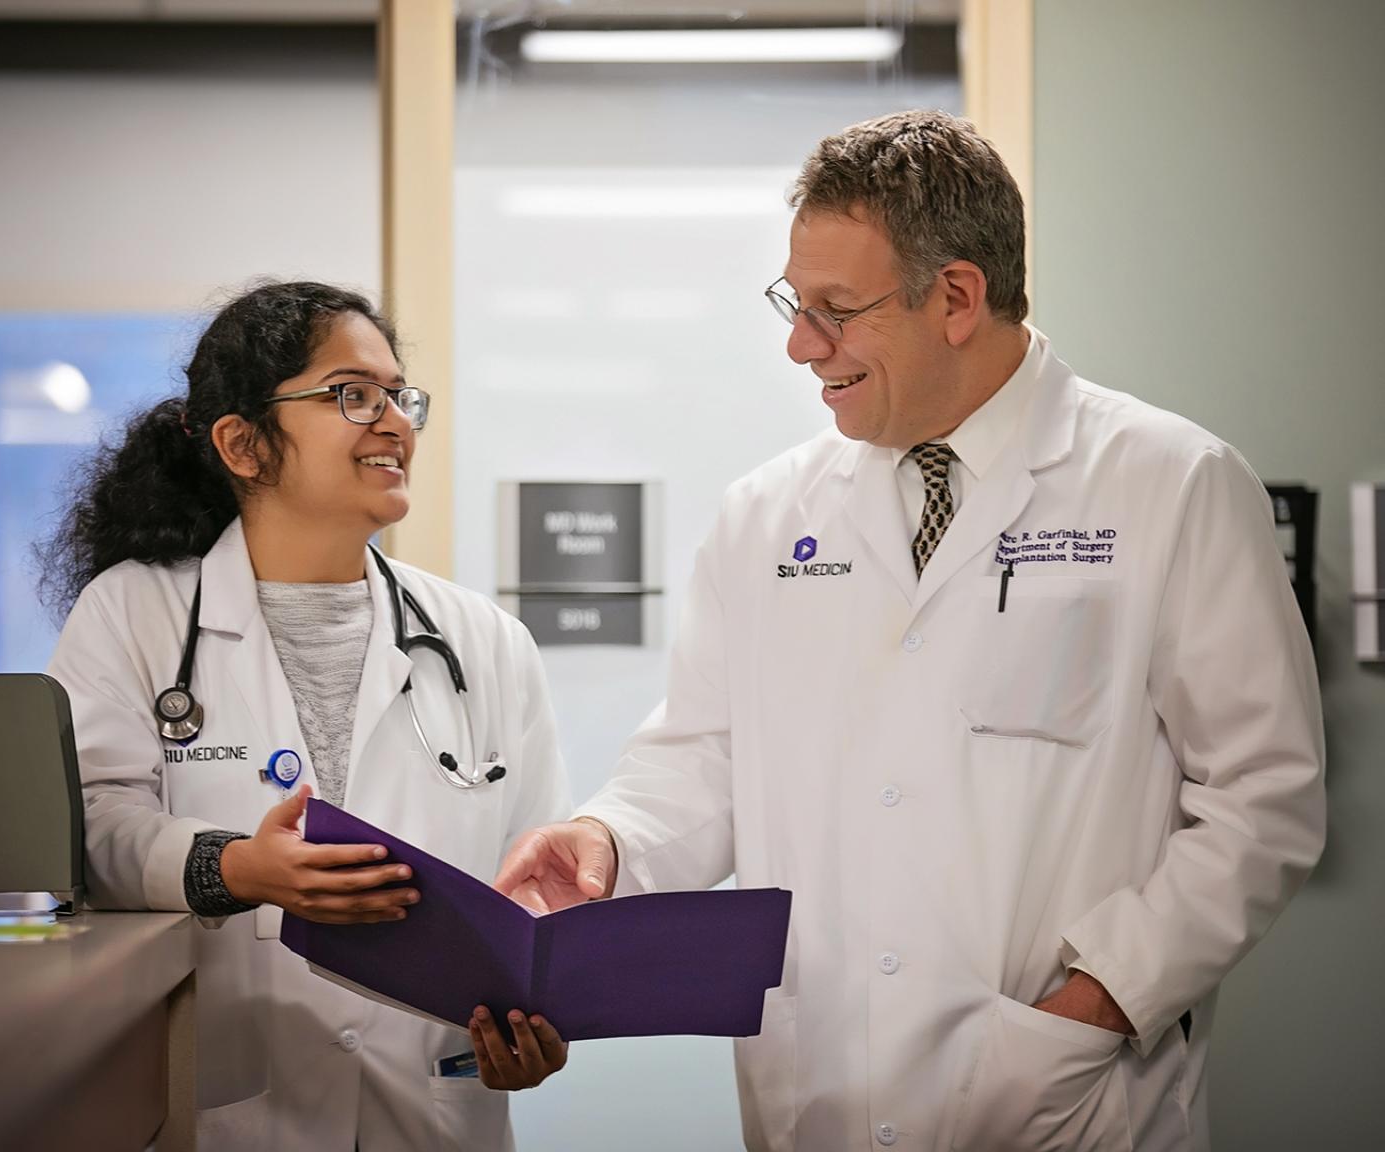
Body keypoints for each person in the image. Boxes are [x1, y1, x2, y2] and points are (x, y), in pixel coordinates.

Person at [494, 111, 1326, 1152]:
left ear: (957, 299)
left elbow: (1264, 801)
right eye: (794, 308)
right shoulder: (770, 516)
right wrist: (608, 842)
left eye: (836, 312)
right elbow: (703, 758)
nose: (801, 347)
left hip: (1062, 1099)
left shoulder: (1170, 485)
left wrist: (1101, 999)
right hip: (821, 1094)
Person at [43, 281, 572, 1152]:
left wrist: (537, 1012)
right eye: (351, 395)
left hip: (432, 1109)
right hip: (229, 1110)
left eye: (399, 396)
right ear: (243, 444)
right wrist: (237, 868)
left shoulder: (486, 641)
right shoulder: (132, 614)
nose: (394, 421)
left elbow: (532, 881)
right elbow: (86, 831)